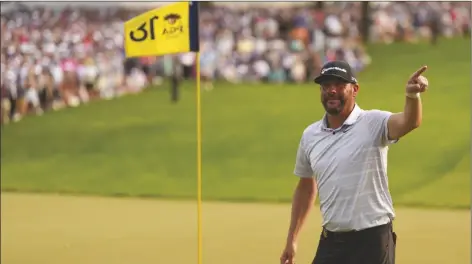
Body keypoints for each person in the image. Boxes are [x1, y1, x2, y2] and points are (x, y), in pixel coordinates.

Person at [280, 60, 429, 264]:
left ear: (355, 89)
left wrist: (412, 96)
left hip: (372, 240)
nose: (331, 90)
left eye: (339, 85)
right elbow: (306, 187)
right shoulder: (310, 135)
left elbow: (409, 122)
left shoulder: (373, 122)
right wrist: (292, 240)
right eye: (326, 86)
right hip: (331, 240)